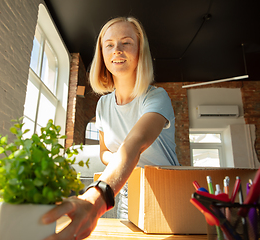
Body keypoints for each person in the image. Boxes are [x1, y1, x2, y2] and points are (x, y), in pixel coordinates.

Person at [42, 16, 179, 240]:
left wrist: (95, 198)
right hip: (124, 190)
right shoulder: (103, 105)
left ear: (140, 51)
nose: (117, 49)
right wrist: (117, 161)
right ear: (102, 54)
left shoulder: (156, 98)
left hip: (164, 193)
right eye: (109, 44)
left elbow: (134, 144)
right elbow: (105, 152)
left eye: (126, 42)